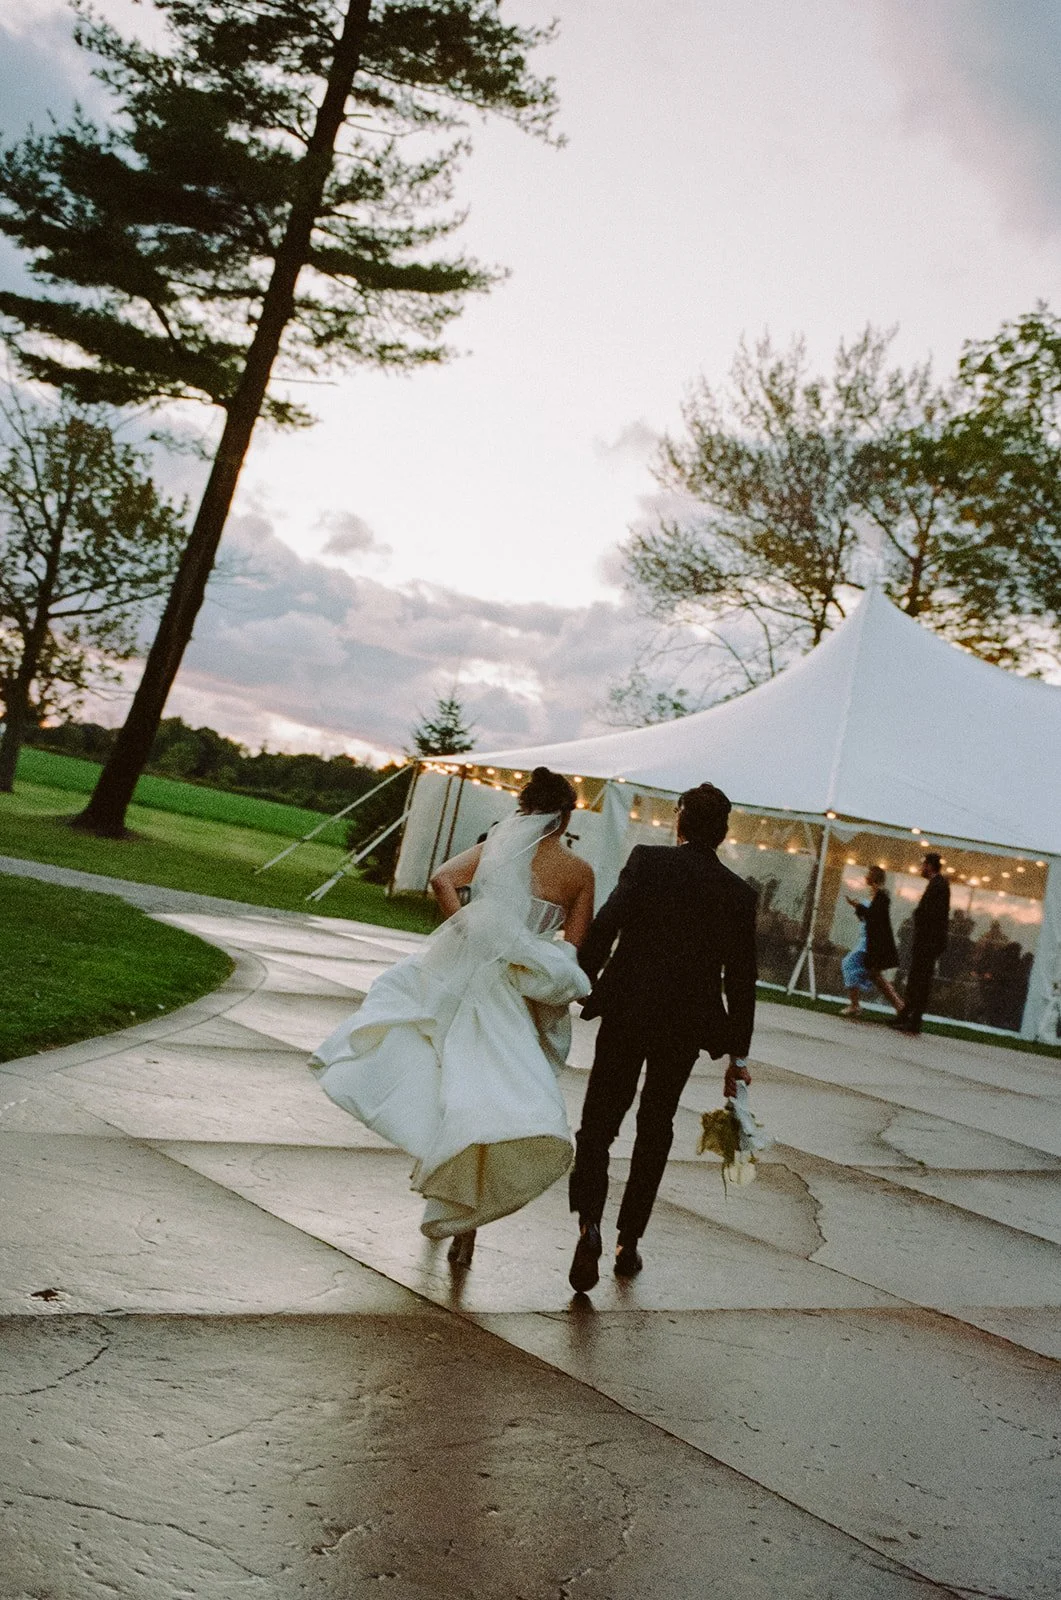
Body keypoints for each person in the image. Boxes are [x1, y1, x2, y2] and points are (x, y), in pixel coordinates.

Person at [310, 767, 595, 1267]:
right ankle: (467, 1219)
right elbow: (572, 949)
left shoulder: (497, 849)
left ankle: (443, 1185)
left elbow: (443, 878)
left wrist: (470, 932)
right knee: (496, 1095)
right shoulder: (579, 873)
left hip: (468, 979)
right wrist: (533, 961)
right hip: (523, 996)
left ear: (525, 808)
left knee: (452, 1083)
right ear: (566, 815)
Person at [566, 782, 757, 1293]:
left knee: (599, 1123)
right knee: (656, 1125)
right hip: (686, 1024)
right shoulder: (737, 895)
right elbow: (741, 980)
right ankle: (630, 1243)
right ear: (722, 833)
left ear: (680, 820)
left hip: (628, 1008)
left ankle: (590, 1224)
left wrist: (583, 982)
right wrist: (737, 1055)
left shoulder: (648, 862)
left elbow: (606, 925)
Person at [892, 852, 950, 1036]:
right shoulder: (938, 885)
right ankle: (906, 1016)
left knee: (920, 980)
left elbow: (932, 915)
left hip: (928, 943)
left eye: (923, 865)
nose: (921, 868)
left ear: (930, 866)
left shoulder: (938, 886)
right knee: (917, 979)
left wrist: (919, 919)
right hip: (927, 942)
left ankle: (913, 1020)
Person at [840, 864, 903, 1019]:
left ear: (874, 877)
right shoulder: (876, 895)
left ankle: (855, 1005)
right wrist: (858, 908)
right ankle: (900, 1007)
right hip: (867, 939)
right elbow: (868, 917)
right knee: (876, 976)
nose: (866, 876)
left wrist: (858, 907)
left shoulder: (882, 896)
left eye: (869, 874)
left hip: (870, 942)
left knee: (849, 963)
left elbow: (874, 917)